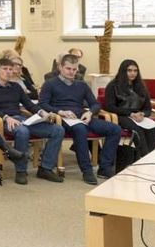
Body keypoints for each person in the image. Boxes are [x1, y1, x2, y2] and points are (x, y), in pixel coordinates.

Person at [0, 57, 65, 183]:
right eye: (5, 69)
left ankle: (45, 168)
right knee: (23, 131)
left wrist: (42, 112)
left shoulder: (15, 86)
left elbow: (29, 104)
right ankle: (21, 171)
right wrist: (5, 117)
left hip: (21, 119)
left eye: (10, 69)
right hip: (1, 121)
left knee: (58, 130)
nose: (8, 72)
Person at [39, 54, 121, 182]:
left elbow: (95, 104)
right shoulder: (50, 84)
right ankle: (87, 170)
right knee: (80, 129)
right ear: (60, 67)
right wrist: (60, 112)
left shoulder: (81, 85)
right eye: (68, 68)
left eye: (74, 69)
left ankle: (104, 167)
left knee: (115, 129)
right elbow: (43, 104)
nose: (71, 72)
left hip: (82, 117)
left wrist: (90, 113)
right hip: (62, 118)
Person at [104, 59, 155, 158]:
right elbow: (109, 106)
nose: (133, 73)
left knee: (153, 128)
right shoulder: (113, 85)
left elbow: (148, 109)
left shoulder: (141, 86)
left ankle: (148, 156)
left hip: (138, 116)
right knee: (138, 130)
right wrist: (130, 114)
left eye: (135, 71)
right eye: (129, 70)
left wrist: (143, 114)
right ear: (123, 71)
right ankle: (144, 159)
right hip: (121, 115)